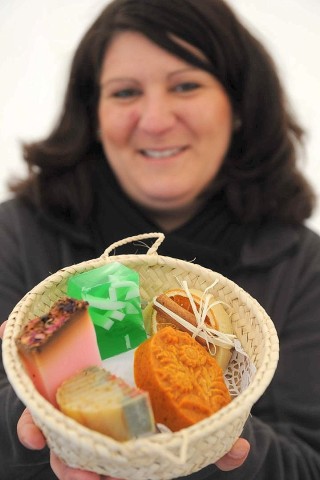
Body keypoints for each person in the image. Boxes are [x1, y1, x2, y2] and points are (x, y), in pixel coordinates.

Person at [0, 0, 320, 478]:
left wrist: (215, 433)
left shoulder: (302, 266)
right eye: (126, 92)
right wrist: (34, 412)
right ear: (93, 116)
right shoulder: (17, 234)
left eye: (186, 85)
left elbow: (308, 463)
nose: (154, 120)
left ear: (238, 105)